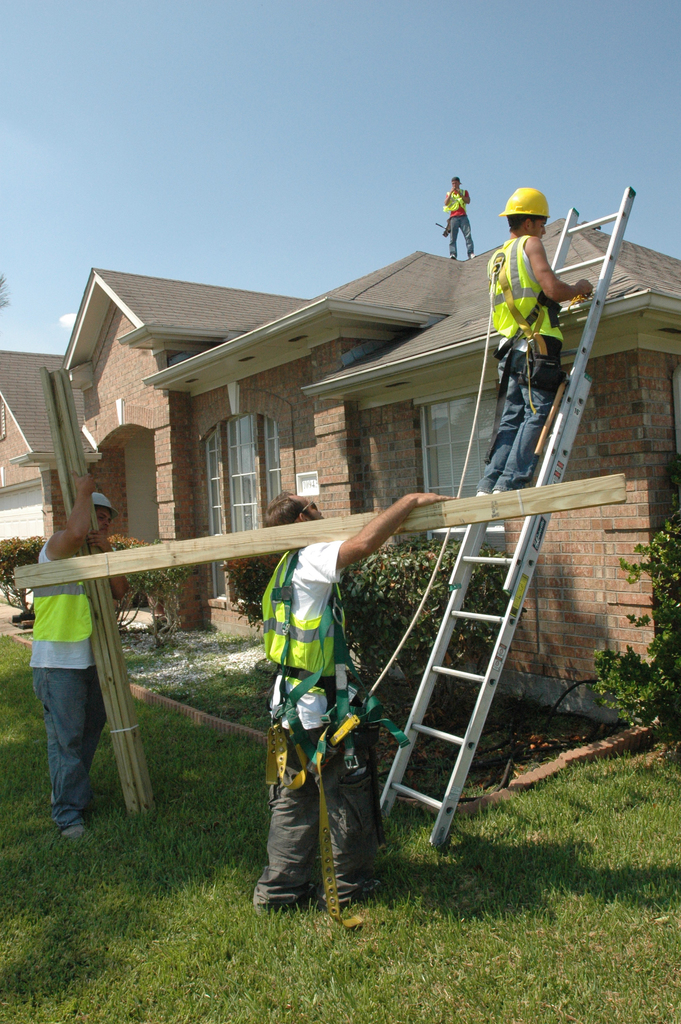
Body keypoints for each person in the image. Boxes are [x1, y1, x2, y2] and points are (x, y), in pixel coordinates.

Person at [253, 489, 449, 917]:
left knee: (293, 798)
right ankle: (347, 889)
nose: (324, 513)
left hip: (288, 706)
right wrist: (409, 502)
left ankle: (280, 893)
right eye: (315, 507)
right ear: (304, 520)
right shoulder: (311, 558)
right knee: (348, 793)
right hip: (319, 709)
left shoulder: (285, 569)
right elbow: (363, 544)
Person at [476, 188, 594, 495]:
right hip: (537, 345)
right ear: (528, 223)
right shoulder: (531, 244)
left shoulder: (496, 258)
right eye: (541, 222)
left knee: (510, 417)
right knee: (536, 412)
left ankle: (489, 483)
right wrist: (580, 286)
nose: (543, 228)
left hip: (509, 348)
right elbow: (552, 289)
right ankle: (510, 481)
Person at [30, 473, 128, 839]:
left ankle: (71, 793)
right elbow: (73, 534)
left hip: (94, 659)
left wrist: (107, 551)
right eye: (98, 515)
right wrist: (83, 490)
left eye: (107, 520)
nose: (104, 523)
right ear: (83, 512)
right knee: (67, 739)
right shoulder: (54, 548)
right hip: (58, 663)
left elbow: (120, 590)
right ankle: (68, 814)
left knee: (87, 734)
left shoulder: (99, 555)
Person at [443, 176, 475, 260]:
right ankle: (453, 254)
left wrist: (460, 193)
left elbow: (468, 201)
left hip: (463, 216)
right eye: (453, 183)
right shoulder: (449, 193)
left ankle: (470, 252)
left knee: (468, 235)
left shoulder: (464, 192)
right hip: (453, 217)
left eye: (455, 183)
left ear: (459, 183)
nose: (454, 185)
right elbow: (446, 203)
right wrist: (450, 193)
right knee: (453, 237)